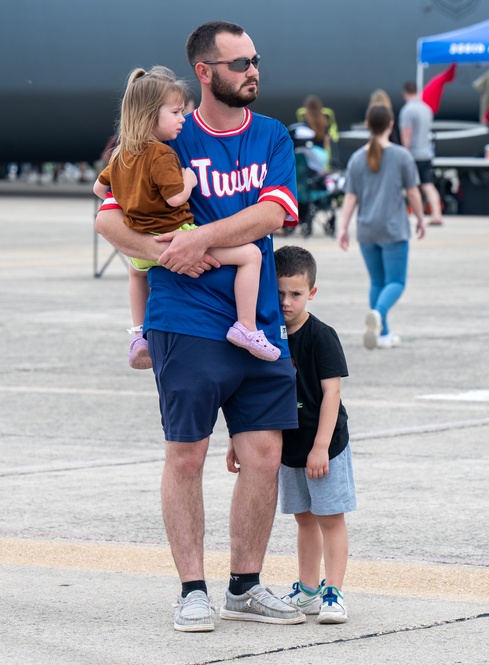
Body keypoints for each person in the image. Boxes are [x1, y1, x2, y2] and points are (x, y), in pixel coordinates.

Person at [94, 20, 304, 632]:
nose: (253, 71)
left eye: (256, 61)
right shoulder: (166, 134)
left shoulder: (271, 135)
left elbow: (275, 212)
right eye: (240, 64)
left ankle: (245, 584)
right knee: (187, 455)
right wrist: (166, 254)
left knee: (264, 454)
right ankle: (192, 590)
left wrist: (201, 239)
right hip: (184, 320)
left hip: (257, 321)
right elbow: (107, 219)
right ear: (206, 72)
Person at [95, 66, 281, 369]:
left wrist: (132, 200)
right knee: (249, 255)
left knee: (136, 273)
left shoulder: (121, 154)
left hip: (144, 246)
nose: (183, 118)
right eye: (176, 112)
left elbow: (99, 188)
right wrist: (190, 182)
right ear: (150, 115)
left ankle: (139, 333)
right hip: (178, 234)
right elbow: (175, 198)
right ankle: (246, 326)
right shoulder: (162, 154)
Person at [271, 245, 355, 625]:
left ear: (312, 293)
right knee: (303, 518)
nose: (286, 302)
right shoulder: (265, 335)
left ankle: (333, 591)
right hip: (290, 446)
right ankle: (307, 589)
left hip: (325, 445)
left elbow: (331, 393)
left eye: (296, 294)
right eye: (279, 294)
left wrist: (321, 446)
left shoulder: (321, 336)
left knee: (329, 517)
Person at [336, 104, 427, 348]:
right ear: (390, 125)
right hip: (393, 228)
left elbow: (350, 197)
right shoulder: (401, 156)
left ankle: (383, 335)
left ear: (367, 125)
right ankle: (378, 314)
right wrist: (420, 218)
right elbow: (413, 193)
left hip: (367, 230)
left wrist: (343, 228)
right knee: (396, 282)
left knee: (377, 282)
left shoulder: (357, 158)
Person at [399, 80, 443, 226]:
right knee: (428, 185)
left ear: (405, 93)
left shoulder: (407, 110)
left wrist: (404, 151)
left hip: (413, 154)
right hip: (426, 152)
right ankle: (437, 214)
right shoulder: (426, 109)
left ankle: (407, 214)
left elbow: (407, 133)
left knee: (408, 186)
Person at [296, 95, 339, 169]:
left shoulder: (305, 123)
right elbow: (327, 142)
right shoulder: (325, 123)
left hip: (309, 155)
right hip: (322, 155)